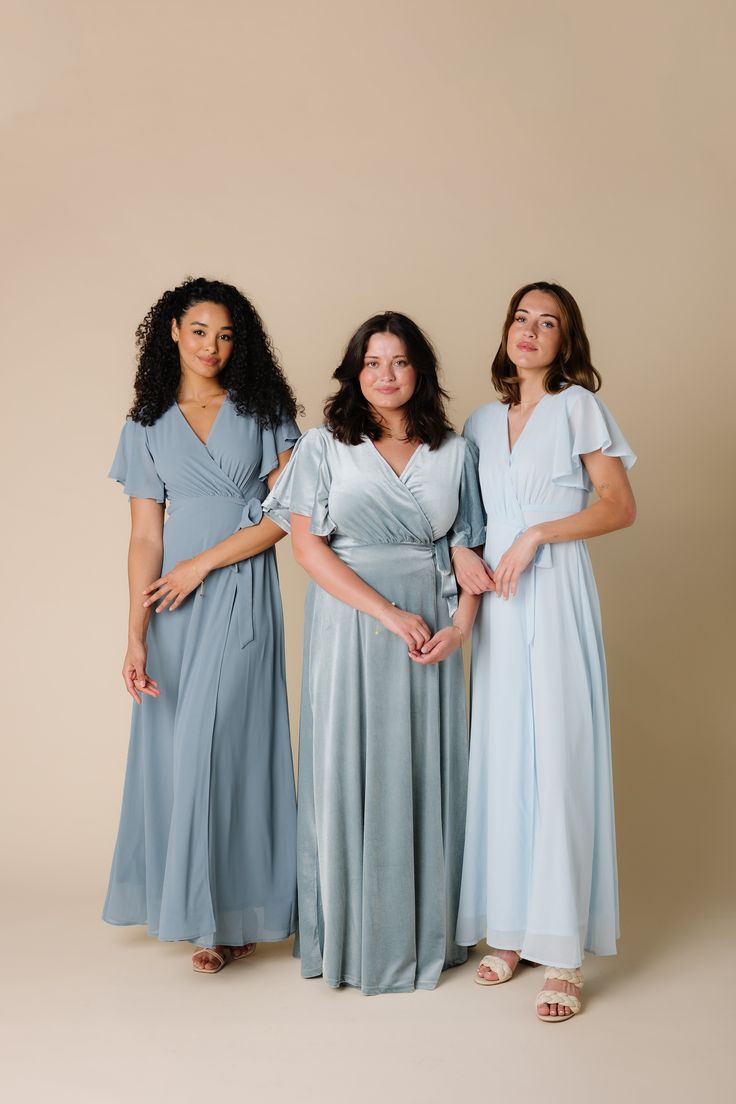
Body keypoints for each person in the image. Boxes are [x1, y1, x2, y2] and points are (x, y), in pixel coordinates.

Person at [263, 312, 485, 995]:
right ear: (355, 374)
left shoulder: (455, 451)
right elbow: (306, 548)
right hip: (353, 623)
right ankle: (351, 936)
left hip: (433, 633)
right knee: (347, 764)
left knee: (424, 768)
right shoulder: (323, 446)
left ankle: (427, 932)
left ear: (420, 370)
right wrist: (387, 612)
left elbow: (470, 549)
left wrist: (462, 625)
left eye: (398, 361)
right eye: (371, 363)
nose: (385, 375)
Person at [104, 276, 300, 974]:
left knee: (228, 745)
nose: (212, 346)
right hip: (170, 607)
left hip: (239, 589)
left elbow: (289, 513)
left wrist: (205, 565)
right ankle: (210, 914)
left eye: (225, 334)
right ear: (172, 333)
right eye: (199, 331)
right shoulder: (145, 424)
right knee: (179, 749)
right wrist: (134, 632)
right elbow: (144, 539)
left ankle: (229, 914)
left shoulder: (267, 409)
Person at [452, 281, 637, 1021]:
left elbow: (619, 506)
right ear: (505, 333)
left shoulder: (578, 408)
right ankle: (510, 930)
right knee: (502, 759)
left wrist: (536, 534)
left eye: (548, 322)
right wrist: (466, 554)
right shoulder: (476, 421)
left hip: (555, 594)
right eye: (521, 318)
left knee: (558, 758)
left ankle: (562, 951)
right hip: (497, 602)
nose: (530, 331)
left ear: (566, 342)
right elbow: (463, 519)